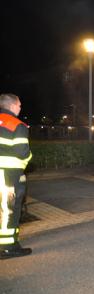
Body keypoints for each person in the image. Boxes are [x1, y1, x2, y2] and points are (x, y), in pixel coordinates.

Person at [0, 94, 32, 259]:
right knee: (9, 210)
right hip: (8, 176)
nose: (20, 108)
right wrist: (28, 159)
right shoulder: (16, 125)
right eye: (19, 105)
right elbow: (22, 152)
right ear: (12, 106)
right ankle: (8, 247)